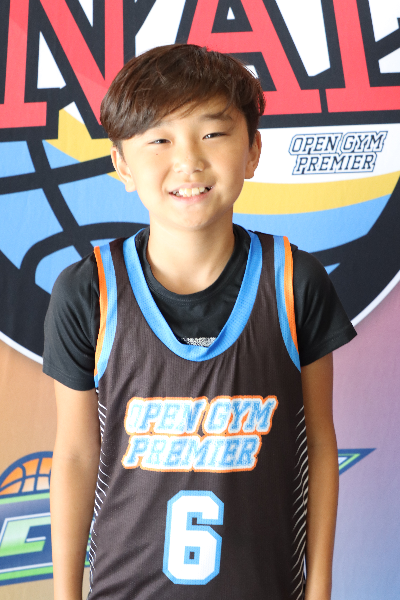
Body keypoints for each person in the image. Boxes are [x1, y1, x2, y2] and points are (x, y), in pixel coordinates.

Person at [45, 44, 356, 600]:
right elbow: (74, 454)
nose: (188, 161)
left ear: (253, 150)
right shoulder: (89, 290)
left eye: (213, 133)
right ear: (122, 164)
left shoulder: (294, 282)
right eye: (159, 140)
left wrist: (319, 588)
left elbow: (319, 443)